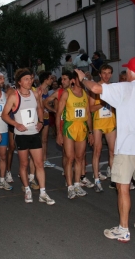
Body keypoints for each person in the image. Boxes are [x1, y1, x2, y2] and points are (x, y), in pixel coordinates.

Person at [79, 57, 135, 242]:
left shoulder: (125, 87)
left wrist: (82, 79)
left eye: (127, 71)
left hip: (127, 145)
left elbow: (95, 88)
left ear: (132, 73)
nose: (125, 74)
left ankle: (123, 229)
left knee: (122, 187)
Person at [2, 68, 55, 205]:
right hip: (21, 135)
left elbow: (39, 107)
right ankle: (27, 189)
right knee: (24, 164)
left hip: (34, 133)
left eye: (30, 79)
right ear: (19, 82)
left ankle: (43, 192)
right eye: (26, 79)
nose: (29, 81)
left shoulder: (35, 94)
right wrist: (15, 124)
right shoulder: (14, 96)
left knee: (39, 164)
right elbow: (4, 115)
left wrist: (41, 121)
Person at [56, 70, 94, 199]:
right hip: (69, 127)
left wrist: (90, 132)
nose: (82, 80)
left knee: (79, 157)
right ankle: (70, 186)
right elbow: (58, 114)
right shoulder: (67, 93)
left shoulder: (85, 94)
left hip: (82, 128)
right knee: (69, 158)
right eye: (80, 78)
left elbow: (88, 114)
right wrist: (58, 133)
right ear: (73, 80)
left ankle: (77, 184)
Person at [89, 64, 116, 193]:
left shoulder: (114, 87)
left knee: (113, 152)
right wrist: (102, 104)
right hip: (98, 124)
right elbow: (90, 108)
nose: (106, 75)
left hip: (111, 123)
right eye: (104, 73)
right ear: (99, 74)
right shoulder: (95, 88)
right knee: (97, 151)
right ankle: (96, 180)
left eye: (109, 73)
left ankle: (114, 180)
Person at [39, 71, 56, 168]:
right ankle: (37, 159)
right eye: (50, 78)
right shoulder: (39, 90)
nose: (52, 80)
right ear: (45, 79)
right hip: (39, 117)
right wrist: (53, 110)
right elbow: (39, 105)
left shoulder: (47, 91)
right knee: (37, 139)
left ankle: (44, 159)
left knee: (45, 139)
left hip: (46, 116)